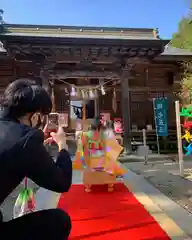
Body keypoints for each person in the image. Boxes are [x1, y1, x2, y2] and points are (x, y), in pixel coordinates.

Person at [0, 79, 72, 240]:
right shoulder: (26, 139)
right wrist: (62, 145)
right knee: (58, 221)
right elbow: (62, 182)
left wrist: (37, 143)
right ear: (35, 116)